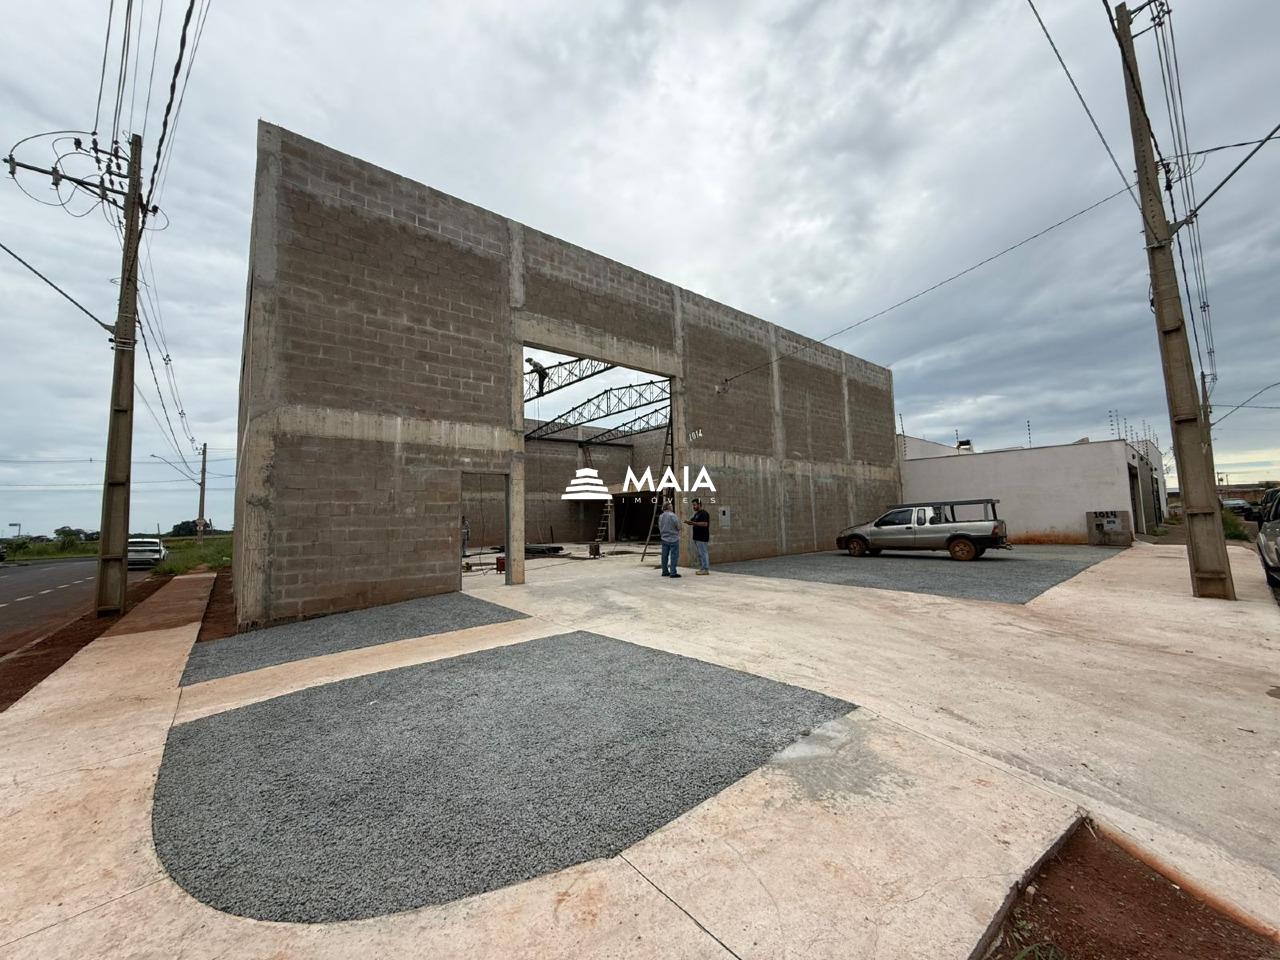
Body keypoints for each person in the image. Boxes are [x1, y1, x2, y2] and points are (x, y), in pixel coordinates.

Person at [685, 498, 711, 574]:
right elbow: (693, 521)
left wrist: (693, 523)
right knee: (701, 553)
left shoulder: (704, 513)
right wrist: (689, 522)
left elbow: (705, 524)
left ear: (699, 505)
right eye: (693, 505)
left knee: (703, 553)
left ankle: (705, 569)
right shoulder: (697, 514)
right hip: (697, 537)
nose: (693, 506)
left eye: (695, 505)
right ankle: (703, 568)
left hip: (702, 537)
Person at [658, 500, 682, 578]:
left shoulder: (661, 516)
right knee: (674, 556)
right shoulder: (673, 515)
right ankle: (673, 572)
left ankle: (664, 571)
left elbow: (660, 526)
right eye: (671, 506)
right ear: (669, 507)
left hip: (664, 538)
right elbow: (678, 527)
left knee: (664, 556)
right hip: (673, 538)